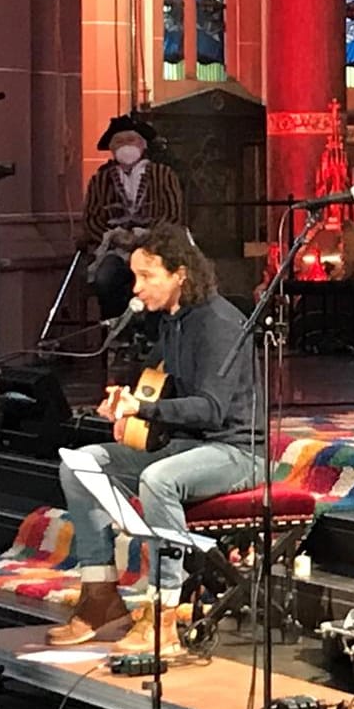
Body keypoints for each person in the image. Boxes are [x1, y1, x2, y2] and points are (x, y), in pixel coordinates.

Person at [46, 224, 262, 655]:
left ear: (180, 274)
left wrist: (142, 410)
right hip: (187, 446)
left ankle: (164, 612)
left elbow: (211, 409)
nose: (137, 288)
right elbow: (154, 381)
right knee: (79, 464)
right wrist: (121, 398)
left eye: (147, 276)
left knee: (159, 479)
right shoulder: (172, 322)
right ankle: (100, 594)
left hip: (234, 450)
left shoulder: (218, 323)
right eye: (135, 277)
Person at [82, 113, 186, 321]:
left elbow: (173, 213)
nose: (125, 146)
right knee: (105, 278)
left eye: (130, 140)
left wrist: (146, 237)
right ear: (111, 148)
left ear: (142, 144)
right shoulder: (100, 180)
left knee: (159, 280)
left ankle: (153, 333)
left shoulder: (164, 175)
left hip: (155, 247)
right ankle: (116, 330)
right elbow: (92, 218)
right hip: (115, 249)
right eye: (119, 142)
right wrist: (114, 237)